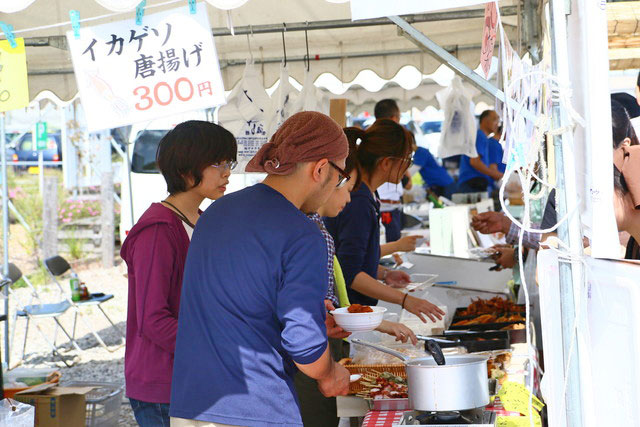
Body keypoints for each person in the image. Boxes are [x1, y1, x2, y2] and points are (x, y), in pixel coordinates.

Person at [170, 112, 351, 427]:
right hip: (257, 406)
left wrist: (310, 314)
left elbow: (232, 299)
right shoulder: (302, 233)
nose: (337, 185)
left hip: (193, 404)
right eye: (340, 176)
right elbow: (305, 345)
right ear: (321, 169)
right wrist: (331, 374)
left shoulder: (216, 212)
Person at [120, 121, 237, 427]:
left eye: (229, 163)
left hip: (196, 374)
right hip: (163, 381)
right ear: (187, 169)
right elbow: (153, 319)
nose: (227, 172)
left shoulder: (202, 219)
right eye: (218, 163)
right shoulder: (158, 230)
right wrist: (213, 349)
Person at [295, 133, 416, 427]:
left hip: (324, 343)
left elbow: (337, 290)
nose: (349, 197)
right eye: (346, 188)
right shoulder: (305, 230)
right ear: (321, 175)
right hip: (311, 351)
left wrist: (383, 280)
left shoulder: (317, 227)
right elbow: (346, 278)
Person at [324, 120, 445, 322]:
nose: (408, 168)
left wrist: (383, 274)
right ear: (387, 162)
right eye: (407, 159)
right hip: (347, 317)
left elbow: (355, 260)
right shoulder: (359, 201)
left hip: (354, 314)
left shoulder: (368, 195)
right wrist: (405, 300)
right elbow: (349, 272)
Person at [372, 99, 412, 243]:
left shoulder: (370, 140)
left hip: (379, 204)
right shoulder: (393, 141)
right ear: (394, 118)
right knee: (390, 249)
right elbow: (408, 183)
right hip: (386, 206)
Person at [457, 110, 503, 194]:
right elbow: (474, 162)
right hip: (472, 183)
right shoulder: (479, 136)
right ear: (485, 120)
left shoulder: (482, 137)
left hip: (474, 182)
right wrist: (499, 176)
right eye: (494, 119)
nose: (497, 123)